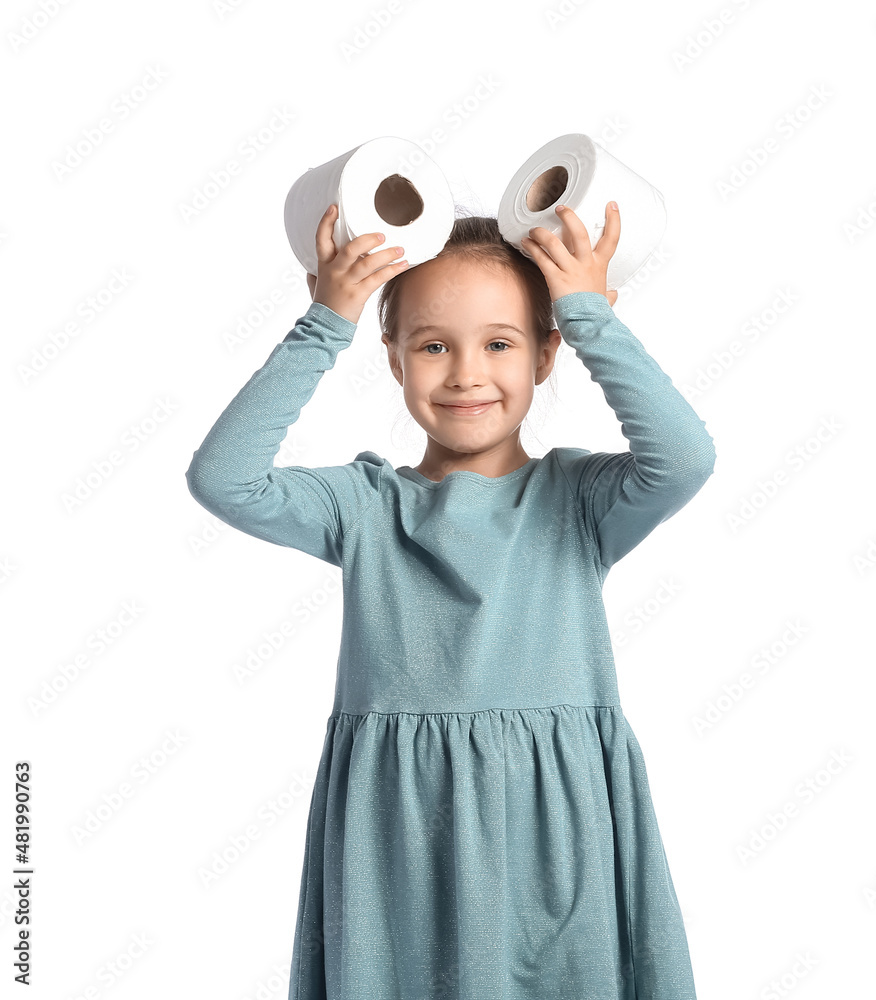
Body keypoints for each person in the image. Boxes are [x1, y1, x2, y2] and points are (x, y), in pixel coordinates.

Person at [185, 197, 716, 999]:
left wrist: (587, 315)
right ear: (393, 358)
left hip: (554, 830)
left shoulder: (577, 501)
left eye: (498, 343)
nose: (466, 373)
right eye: (433, 345)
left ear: (545, 355)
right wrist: (325, 322)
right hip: (399, 835)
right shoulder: (363, 507)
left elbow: (683, 458)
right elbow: (223, 479)